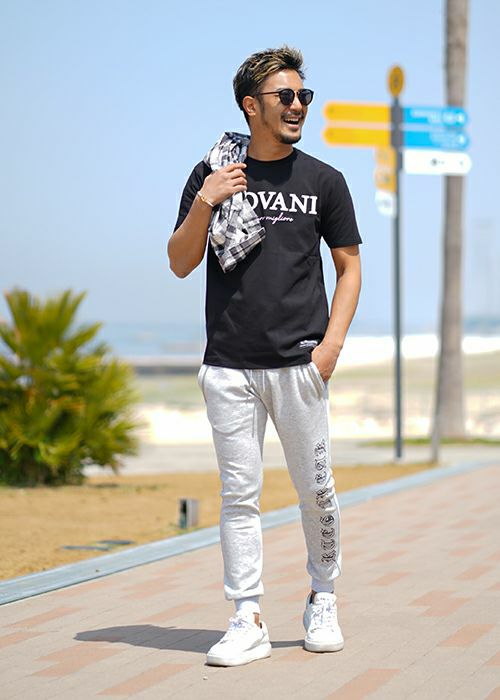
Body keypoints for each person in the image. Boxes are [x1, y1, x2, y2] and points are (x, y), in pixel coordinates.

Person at [167, 45, 362, 667]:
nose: (299, 105)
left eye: (304, 95)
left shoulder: (324, 181)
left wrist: (330, 347)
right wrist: (207, 200)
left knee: (317, 490)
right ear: (252, 106)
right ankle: (246, 616)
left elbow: (349, 268)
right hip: (228, 364)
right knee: (239, 496)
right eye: (286, 96)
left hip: (300, 363)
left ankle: (323, 596)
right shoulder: (212, 174)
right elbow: (179, 262)